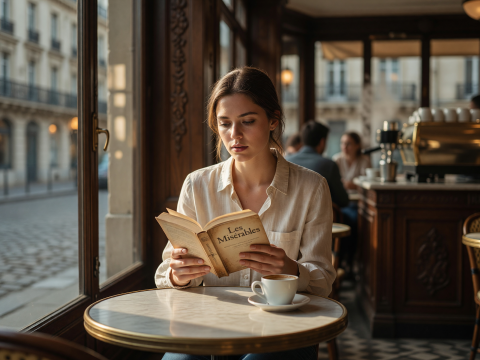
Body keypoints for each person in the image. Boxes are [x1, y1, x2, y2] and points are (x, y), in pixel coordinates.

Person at [156, 67, 335, 360]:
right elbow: (165, 272)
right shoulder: (197, 185)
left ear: (273, 120)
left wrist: (290, 269)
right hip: (208, 325)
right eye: (224, 123)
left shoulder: (311, 188)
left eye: (247, 121)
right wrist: (179, 274)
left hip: (281, 328)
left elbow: (323, 280)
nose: (234, 135)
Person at [286, 121, 349, 208]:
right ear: (322, 142)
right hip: (319, 219)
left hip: (289, 217)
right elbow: (343, 200)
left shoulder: (286, 161)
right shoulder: (329, 165)